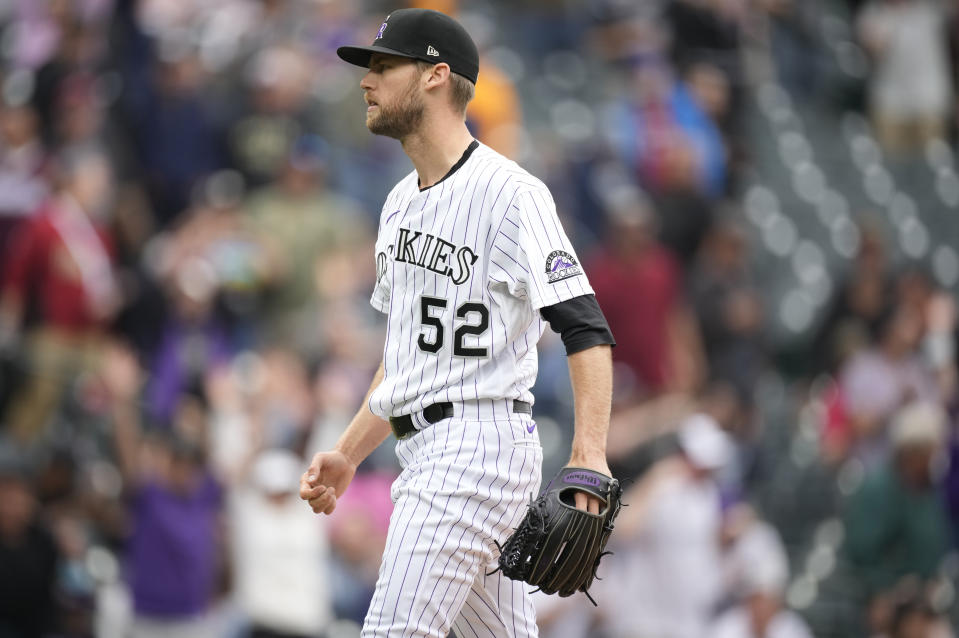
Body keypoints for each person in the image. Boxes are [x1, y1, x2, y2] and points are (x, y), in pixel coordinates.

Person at [298, 9, 616, 638]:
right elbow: (405, 362)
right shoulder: (395, 204)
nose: (368, 80)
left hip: (475, 448)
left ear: (436, 76)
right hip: (432, 451)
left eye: (385, 66)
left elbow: (584, 325)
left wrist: (589, 455)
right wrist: (350, 452)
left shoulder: (512, 193)